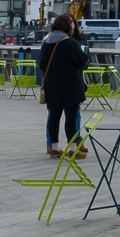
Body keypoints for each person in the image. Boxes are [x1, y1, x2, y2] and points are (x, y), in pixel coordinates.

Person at [37, 13, 90, 158]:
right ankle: (73, 148)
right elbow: (82, 60)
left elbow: (41, 63)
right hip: (70, 85)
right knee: (71, 116)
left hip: (52, 84)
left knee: (54, 115)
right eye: (72, 25)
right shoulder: (68, 42)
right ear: (67, 27)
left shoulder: (46, 42)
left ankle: (54, 147)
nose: (74, 27)